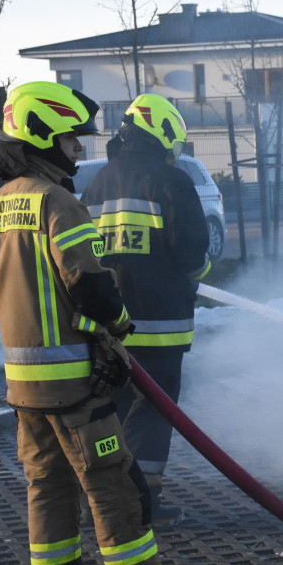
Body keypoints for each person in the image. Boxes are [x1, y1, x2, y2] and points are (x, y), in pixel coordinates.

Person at [0, 82, 208, 565]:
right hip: (76, 385)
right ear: (45, 135)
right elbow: (92, 288)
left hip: (24, 386)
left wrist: (26, 314)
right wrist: (113, 335)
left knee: (47, 489)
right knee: (115, 488)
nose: (78, 151)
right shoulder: (56, 201)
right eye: (72, 139)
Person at [80, 94, 211, 527]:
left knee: (112, 408)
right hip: (160, 324)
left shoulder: (98, 183)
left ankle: (105, 497)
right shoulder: (172, 183)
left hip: (110, 324)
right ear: (166, 133)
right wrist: (201, 271)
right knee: (154, 410)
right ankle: (145, 501)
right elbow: (192, 253)